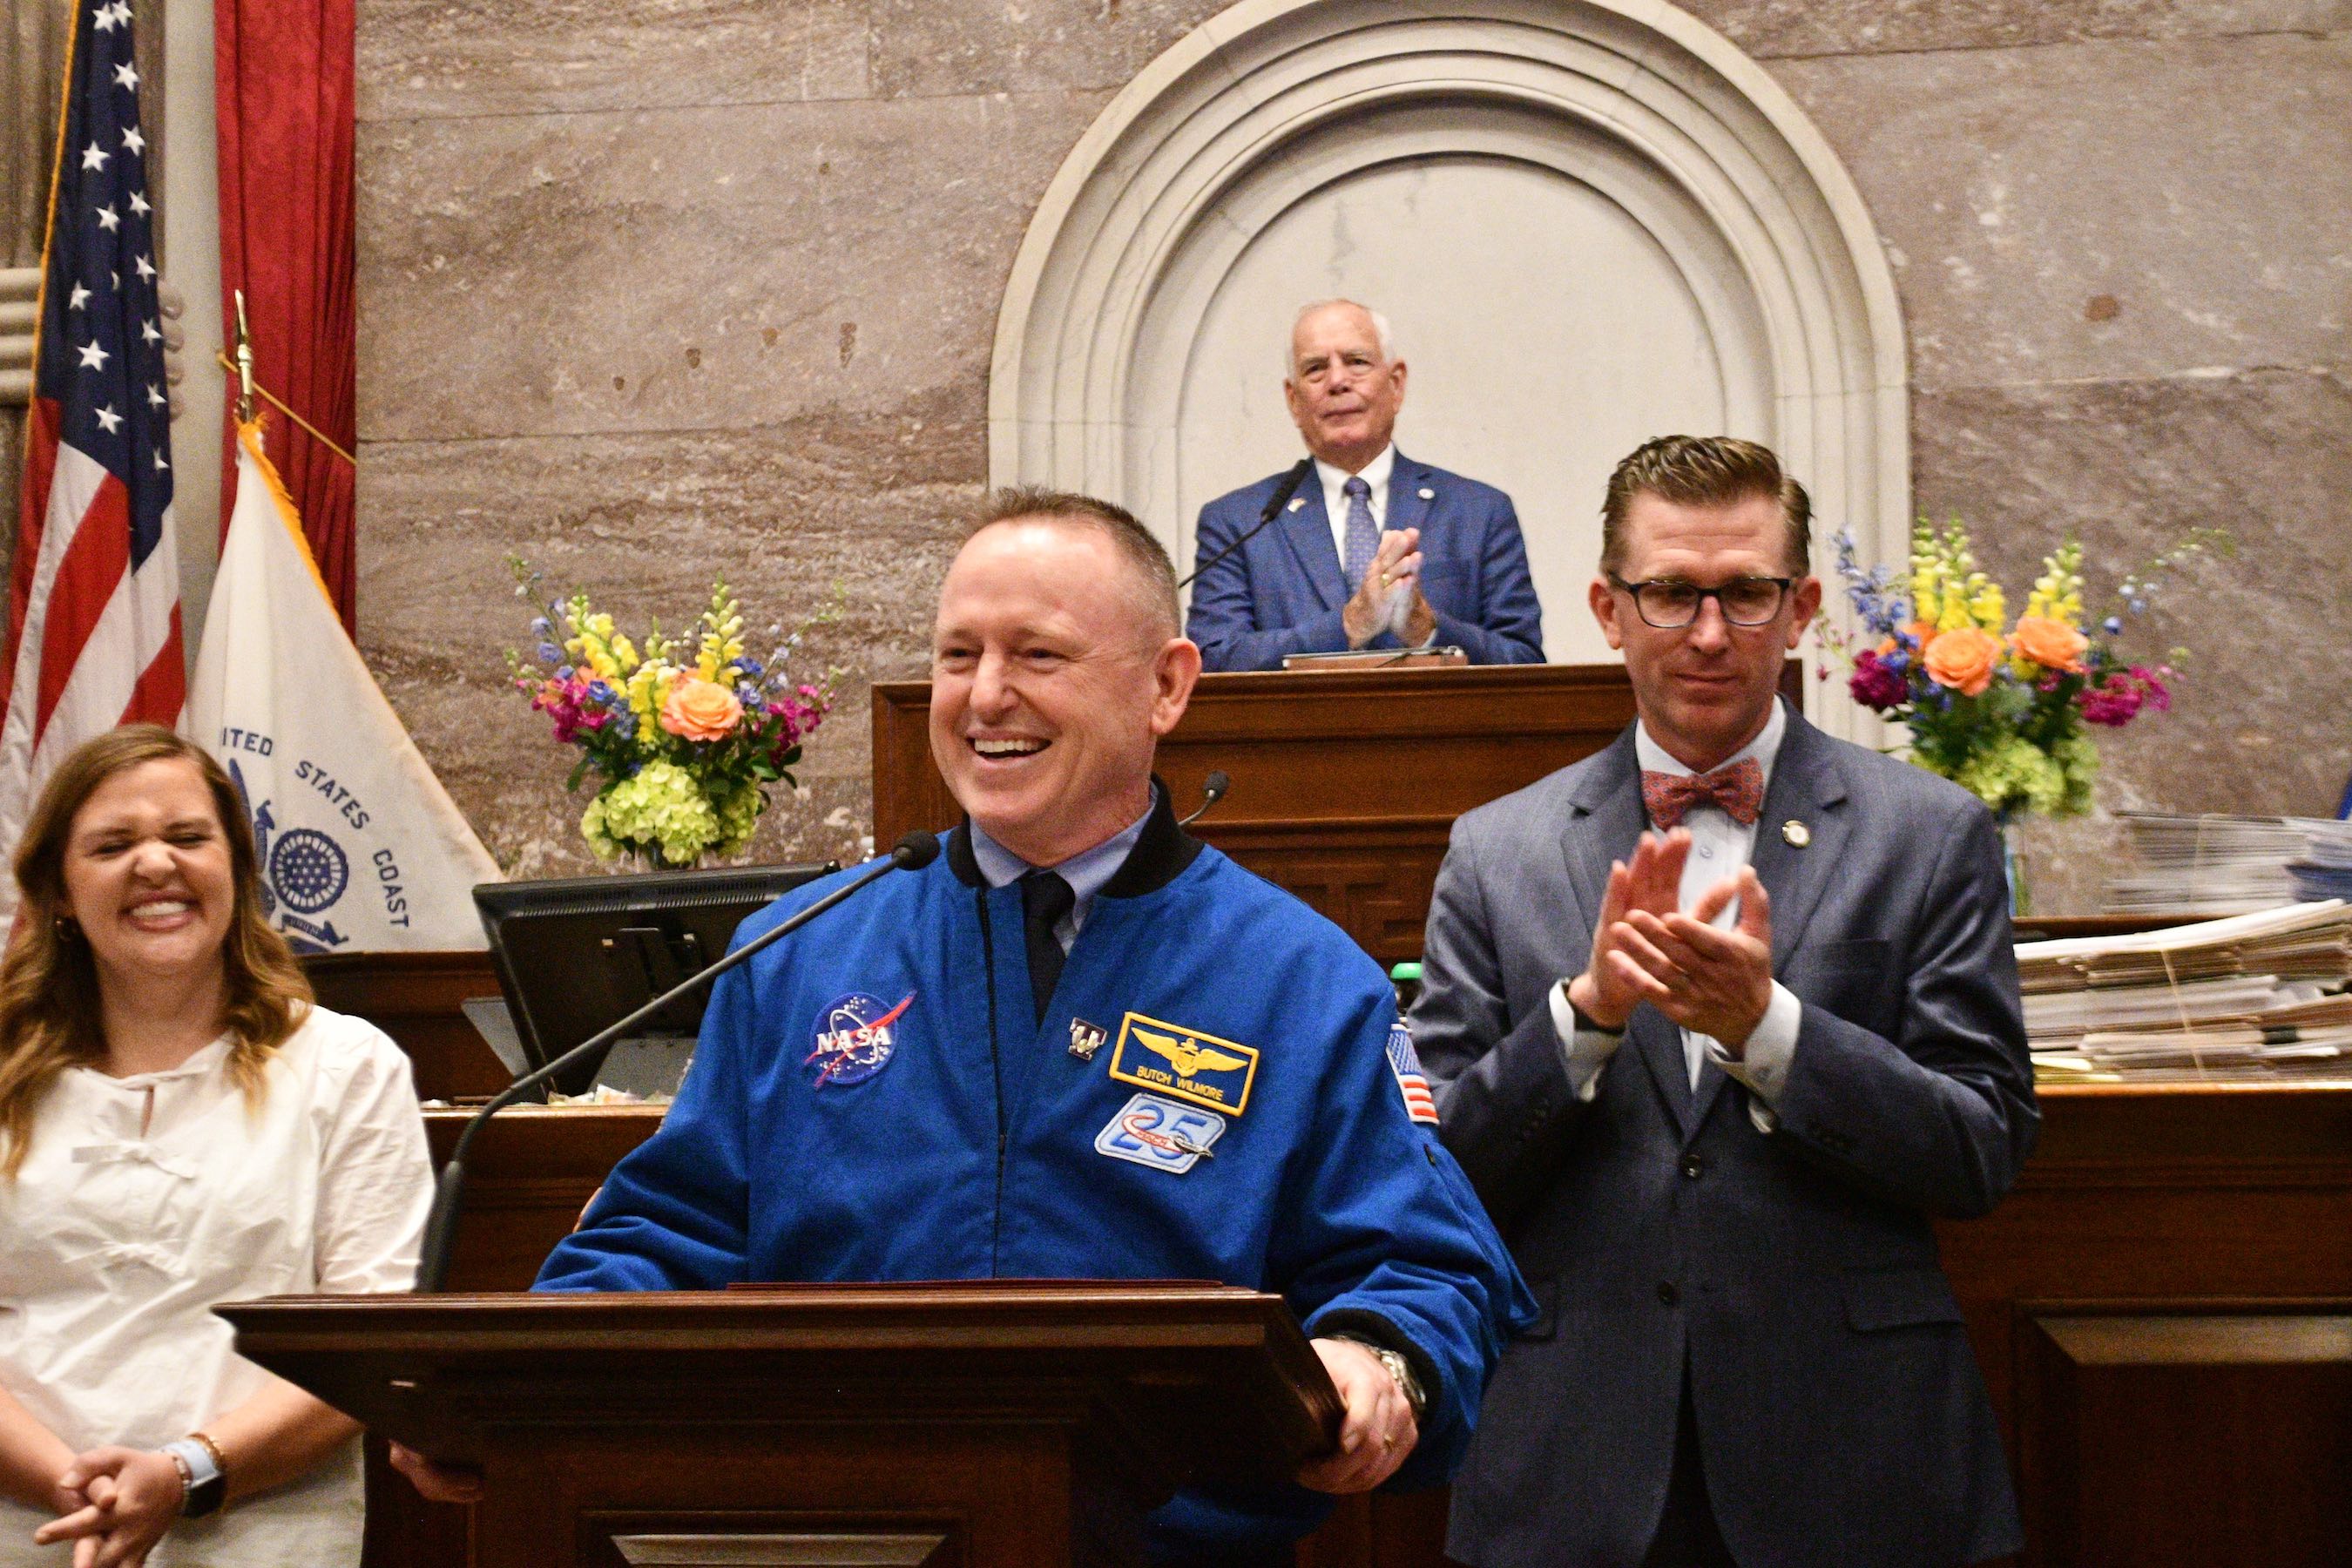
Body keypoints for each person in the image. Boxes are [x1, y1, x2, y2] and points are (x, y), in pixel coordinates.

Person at [400, 489, 1531, 1565]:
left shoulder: (1300, 978)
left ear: (1167, 686)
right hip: (827, 1548)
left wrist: (1380, 1361)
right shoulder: (796, 952)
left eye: (1037, 655)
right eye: (958, 655)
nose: (986, 695)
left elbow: (1423, 1265)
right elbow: (670, 1231)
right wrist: (512, 1390)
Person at [1413, 436, 2038, 1567]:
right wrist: (1585, 1019)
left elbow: (1980, 1151)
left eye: (1745, 593)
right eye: (1670, 593)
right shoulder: (1496, 852)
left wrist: (1770, 1033)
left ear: (1800, 610)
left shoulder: (1930, 834)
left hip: (1856, 1465)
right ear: (1608, 610)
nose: (1709, 633)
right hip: (1575, 1468)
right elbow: (1436, 1172)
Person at [0, 726, 436, 1567]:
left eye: (188, 837)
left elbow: (369, 1343)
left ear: (237, 867)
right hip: (27, 1529)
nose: (155, 864)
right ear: (58, 892)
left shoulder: (345, 1065)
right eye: (113, 846)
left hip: (262, 1536)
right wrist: (74, 1491)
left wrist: (184, 1474)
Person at [1186, 300, 1544, 671]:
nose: (1337, 382)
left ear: (1396, 384)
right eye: (1316, 368)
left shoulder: (1479, 512)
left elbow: (1525, 663)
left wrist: (1428, 630)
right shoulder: (1240, 523)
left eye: (1356, 362)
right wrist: (1347, 625)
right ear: (1293, 401)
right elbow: (1213, 660)